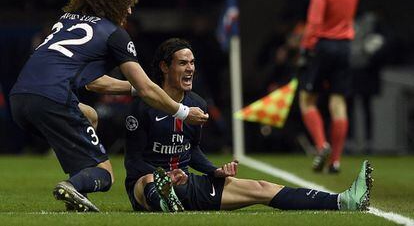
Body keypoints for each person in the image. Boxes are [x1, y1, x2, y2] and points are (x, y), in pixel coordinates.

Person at [9, 0, 208, 212]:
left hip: (19, 99)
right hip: (54, 99)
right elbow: (145, 87)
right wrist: (184, 112)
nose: (130, 10)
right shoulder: (115, 33)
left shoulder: (66, 21)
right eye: (127, 3)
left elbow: (95, 83)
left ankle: (78, 191)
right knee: (105, 175)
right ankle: (72, 185)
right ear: (114, 2)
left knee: (90, 116)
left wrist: (135, 89)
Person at [123, 38, 372, 213]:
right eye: (182, 63)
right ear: (165, 67)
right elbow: (132, 162)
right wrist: (164, 176)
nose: (190, 69)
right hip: (148, 185)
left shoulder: (197, 104)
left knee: (261, 188)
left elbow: (193, 150)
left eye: (192, 63)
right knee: (146, 182)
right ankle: (163, 201)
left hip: (188, 183)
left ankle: (343, 201)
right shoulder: (143, 106)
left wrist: (214, 171)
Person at [298, 0, 359, 173]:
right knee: (338, 102)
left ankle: (321, 144)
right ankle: (335, 160)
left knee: (307, 99)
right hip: (345, 47)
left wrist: (305, 48)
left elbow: (314, 23)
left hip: (323, 46)